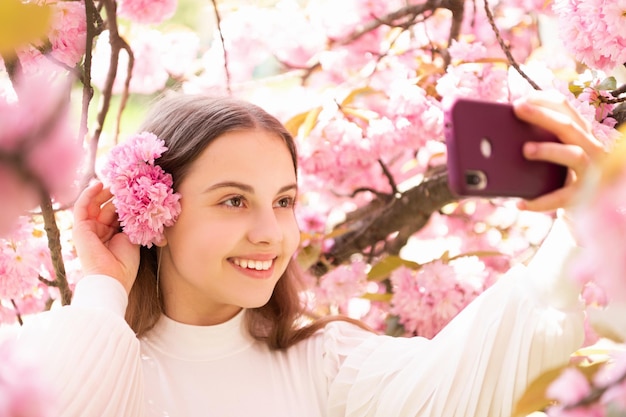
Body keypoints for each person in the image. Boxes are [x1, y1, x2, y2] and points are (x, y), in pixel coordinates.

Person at [15, 91, 605, 417]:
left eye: (284, 200)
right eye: (233, 202)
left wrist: (582, 226)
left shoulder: (326, 364)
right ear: (156, 215)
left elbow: (469, 380)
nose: (271, 233)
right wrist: (103, 288)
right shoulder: (78, 353)